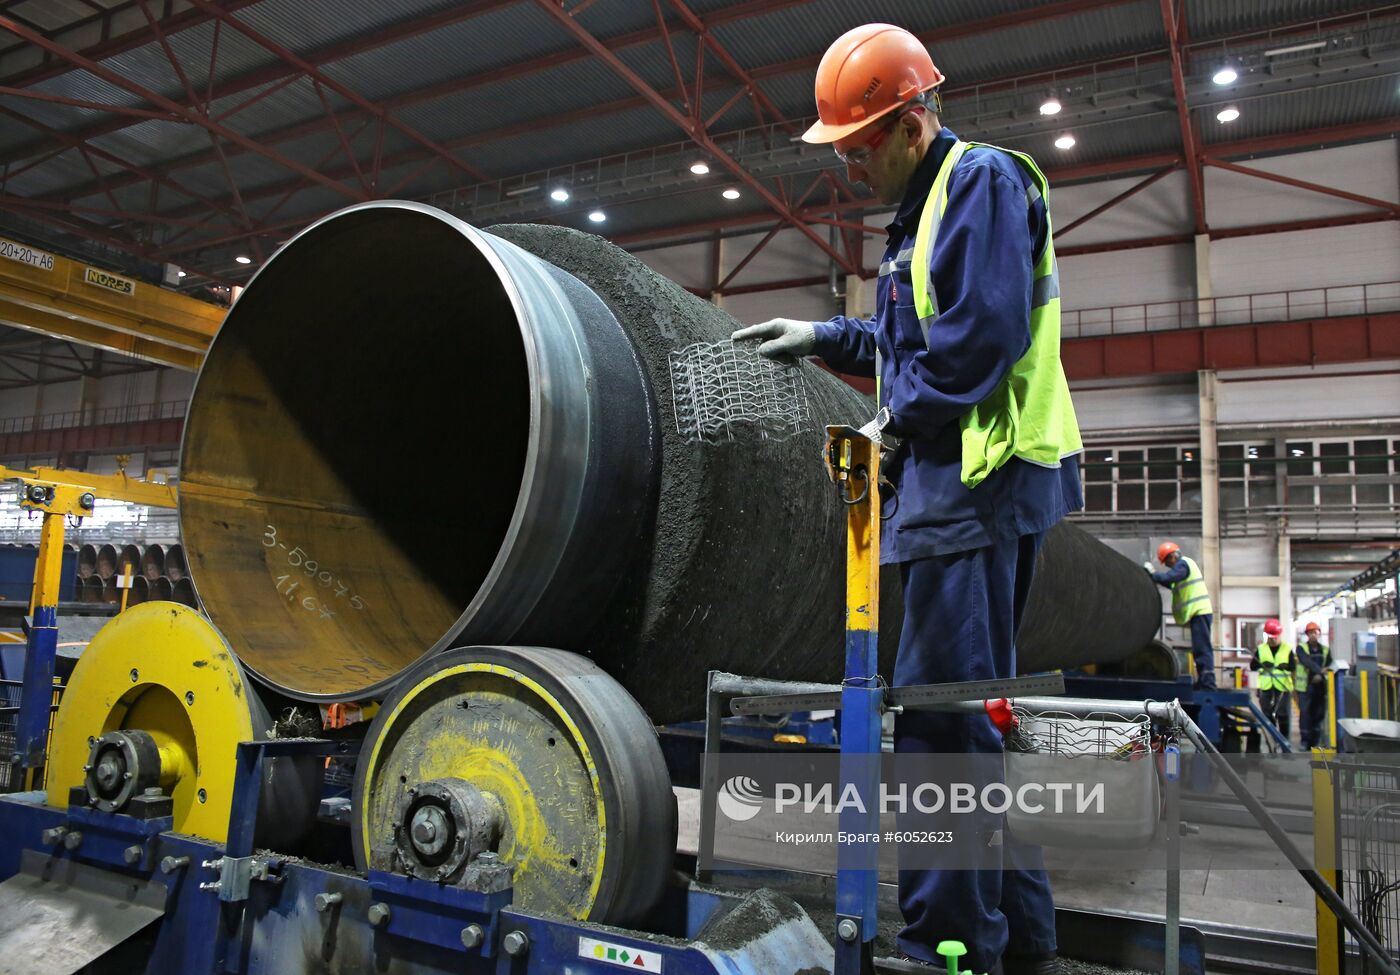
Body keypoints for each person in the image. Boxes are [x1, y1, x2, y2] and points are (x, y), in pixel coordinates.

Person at [732, 23, 1081, 975]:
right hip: (955, 482)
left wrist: (893, 425)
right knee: (974, 716)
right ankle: (1022, 935)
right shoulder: (925, 210)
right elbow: (910, 337)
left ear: (911, 123)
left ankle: (949, 944)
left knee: (941, 721)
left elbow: (978, 342)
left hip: (975, 480)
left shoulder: (981, 186)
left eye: (856, 149)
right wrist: (824, 336)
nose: (847, 169)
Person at [1146, 542, 1217, 690]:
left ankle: (1208, 683)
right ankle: (1204, 680)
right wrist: (1155, 577)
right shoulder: (1182, 569)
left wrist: (1153, 574)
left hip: (1200, 612)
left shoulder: (1183, 565)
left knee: (1202, 648)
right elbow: (1171, 584)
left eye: (1166, 561)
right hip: (1198, 614)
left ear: (1172, 556)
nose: (1167, 565)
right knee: (1199, 648)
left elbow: (1168, 578)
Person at [1251, 618, 1294, 740]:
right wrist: (1262, 663)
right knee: (1267, 713)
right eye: (1270, 637)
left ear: (1279, 635)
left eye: (1275, 637)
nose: (1273, 639)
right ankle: (1275, 737)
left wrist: (1286, 666)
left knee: (1283, 714)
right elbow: (1252, 666)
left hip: (1283, 687)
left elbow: (1293, 666)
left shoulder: (1287, 649)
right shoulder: (1261, 649)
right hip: (1266, 686)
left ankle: (1285, 740)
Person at [1295, 621, 1331, 749]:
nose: (1313, 635)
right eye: (1310, 633)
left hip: (1320, 688)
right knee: (1305, 714)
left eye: (1315, 632)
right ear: (1307, 635)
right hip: (1305, 687)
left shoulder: (1326, 650)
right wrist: (1320, 671)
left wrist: (1320, 675)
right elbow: (1306, 661)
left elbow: (1330, 666)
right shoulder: (1301, 648)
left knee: (1318, 714)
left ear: (1319, 634)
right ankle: (1305, 741)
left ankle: (1315, 742)